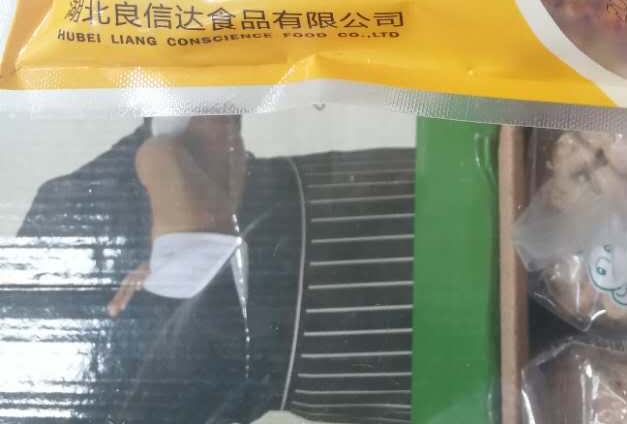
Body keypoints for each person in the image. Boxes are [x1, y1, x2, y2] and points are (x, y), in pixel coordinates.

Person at [0, 116, 415, 423]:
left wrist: (162, 168)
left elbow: (201, 113)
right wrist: (181, 220)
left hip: (351, 210)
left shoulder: (54, 216)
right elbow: (200, 234)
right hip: (342, 357)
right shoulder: (35, 408)